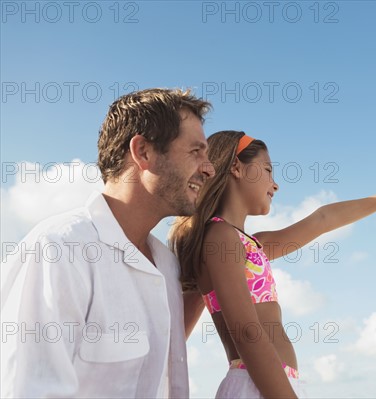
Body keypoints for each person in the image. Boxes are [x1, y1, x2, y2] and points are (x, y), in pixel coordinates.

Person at [169, 131, 376, 398]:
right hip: (257, 384)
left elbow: (322, 219)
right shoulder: (221, 237)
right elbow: (247, 333)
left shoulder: (248, 244)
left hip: (269, 384)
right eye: (267, 170)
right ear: (237, 168)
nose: (275, 185)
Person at [1, 88, 216, 398]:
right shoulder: (59, 250)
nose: (209, 168)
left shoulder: (168, 266)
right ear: (143, 152)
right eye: (196, 151)